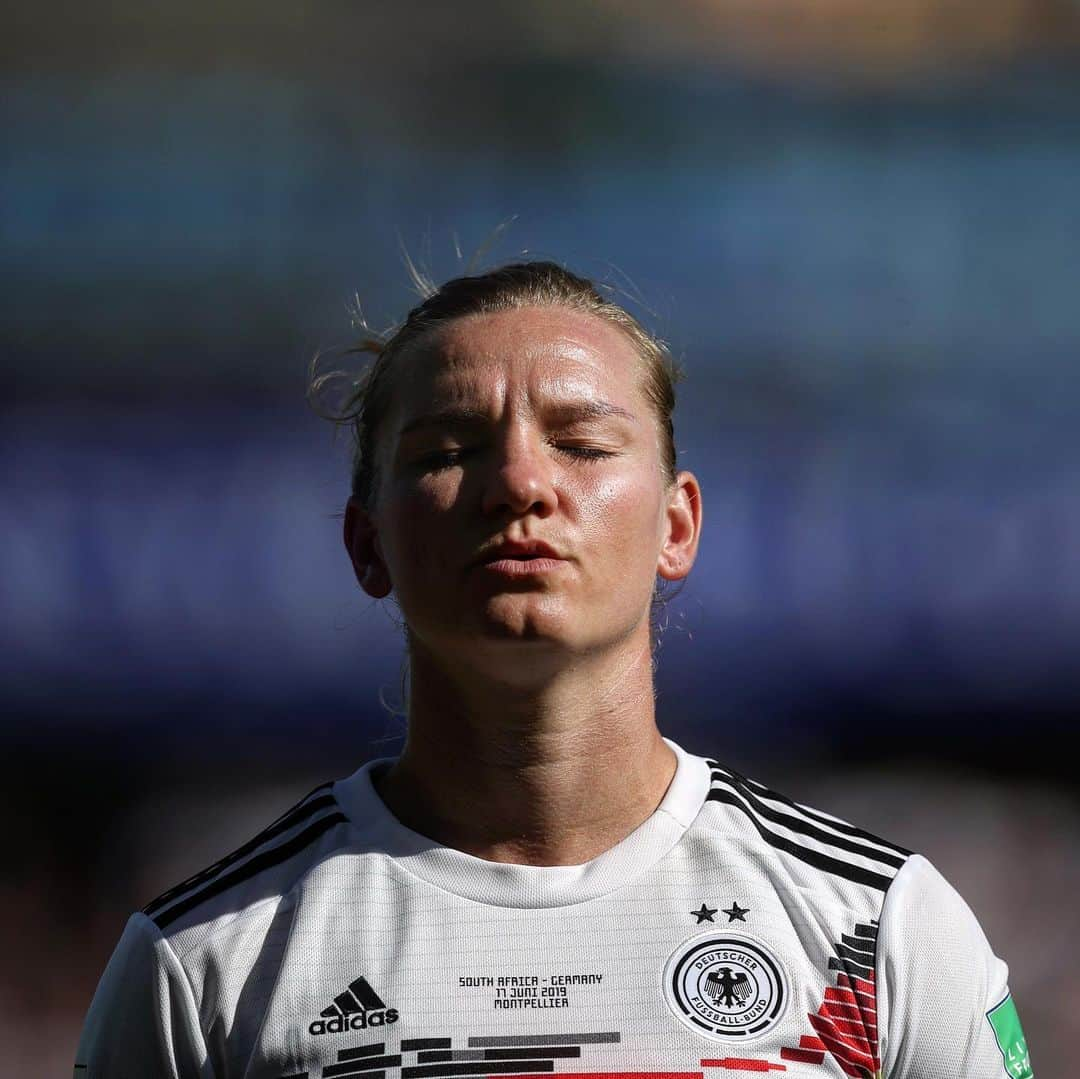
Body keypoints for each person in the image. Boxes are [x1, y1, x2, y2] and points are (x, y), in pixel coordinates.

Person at [76, 261, 1033, 1079]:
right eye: (450, 450)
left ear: (677, 525)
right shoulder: (200, 966)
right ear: (367, 545)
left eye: (580, 443)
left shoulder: (882, 929)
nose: (521, 484)